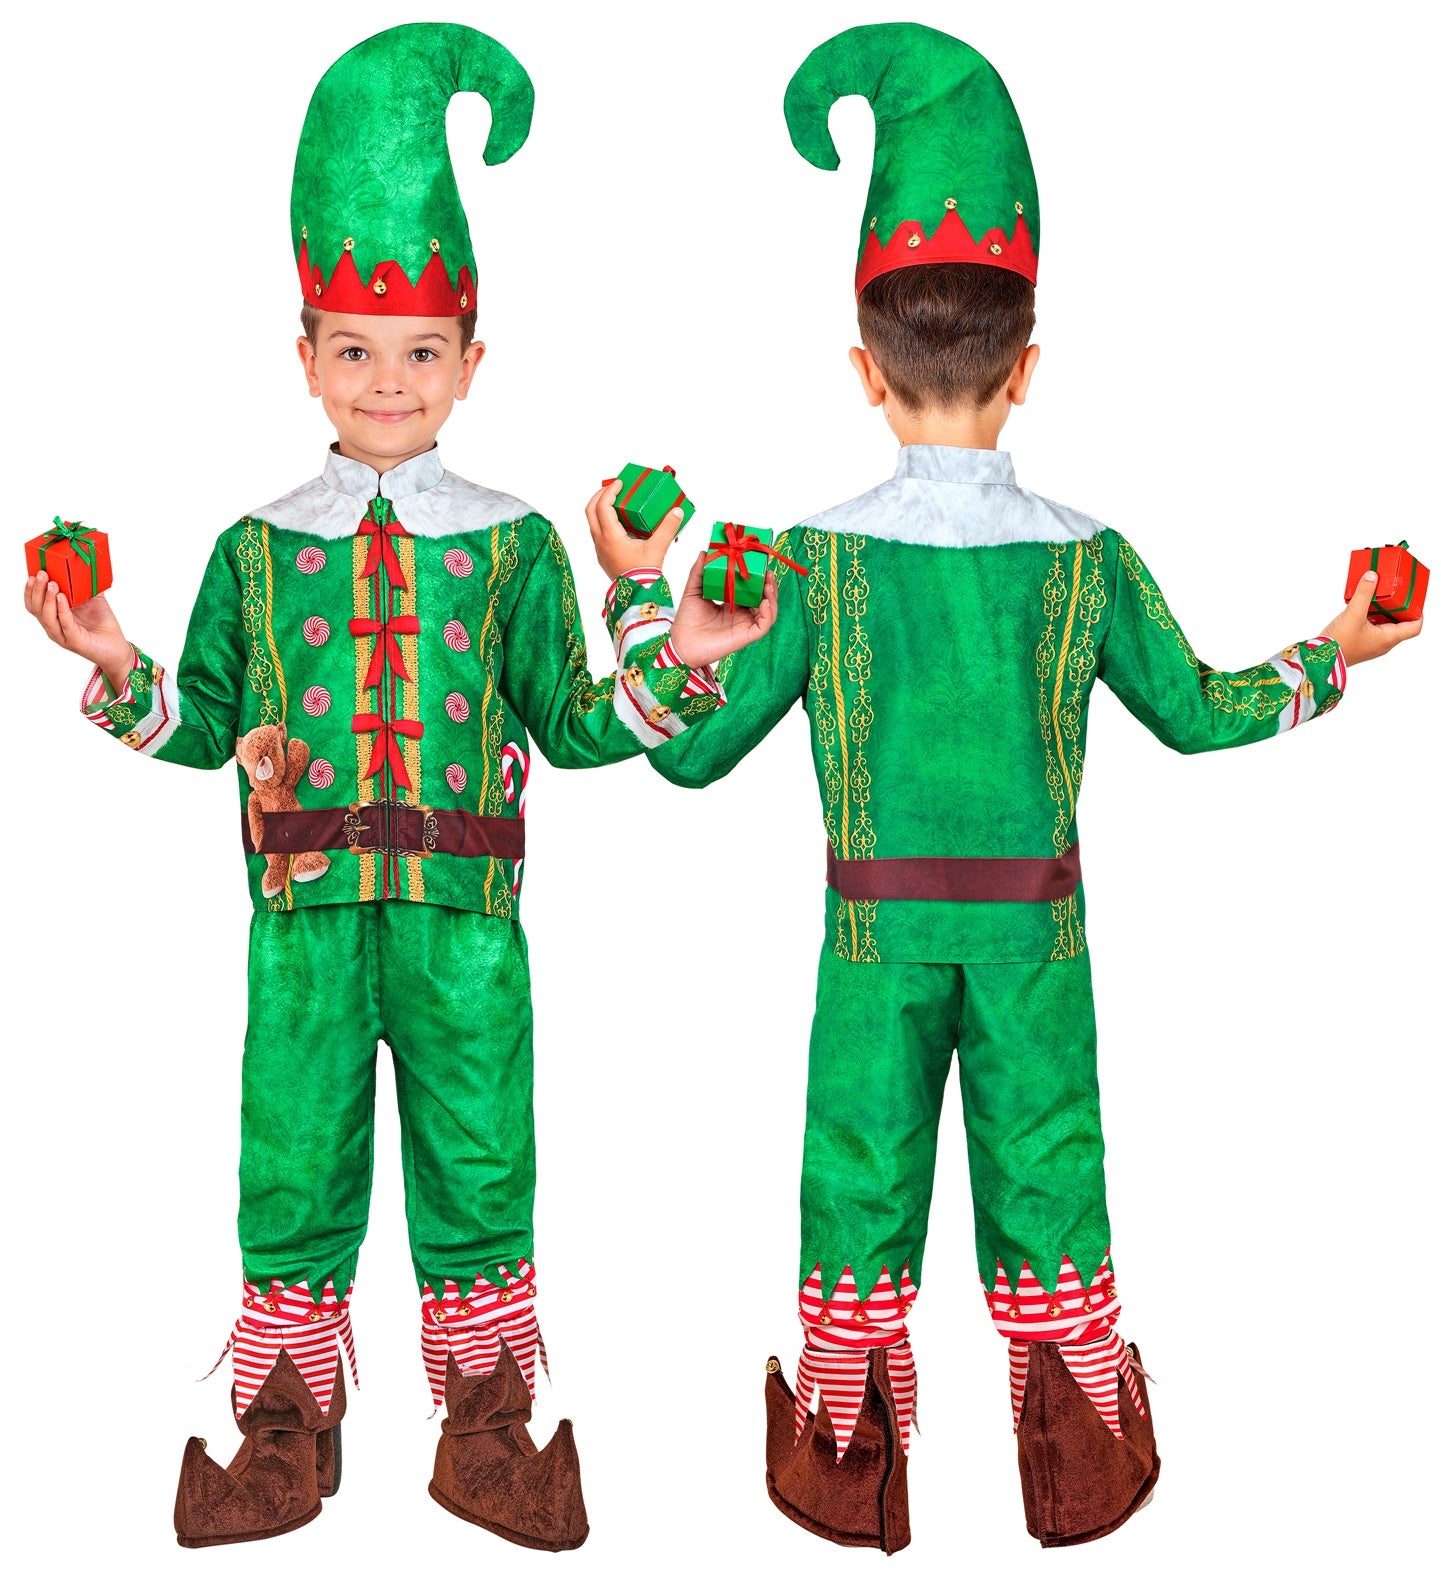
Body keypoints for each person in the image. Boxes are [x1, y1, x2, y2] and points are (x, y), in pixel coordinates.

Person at [643, 22, 1422, 1552]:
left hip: (871, 945)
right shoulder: (1084, 556)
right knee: (1049, 1176)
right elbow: (1201, 718)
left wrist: (638, 610)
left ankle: (843, 1471)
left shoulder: (800, 562)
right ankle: (1076, 1468)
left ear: (861, 371)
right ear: (1029, 367)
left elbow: (684, 752)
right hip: (1039, 940)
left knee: (856, 1181)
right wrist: (1336, 650)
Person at [22, 23, 773, 1553]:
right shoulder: (252, 546)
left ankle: (486, 1435)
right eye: (353, 351)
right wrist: (109, 651)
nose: (386, 382)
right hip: (299, 928)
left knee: (482, 1158)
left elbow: (571, 724)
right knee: (288, 1156)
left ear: (472, 362)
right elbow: (198, 725)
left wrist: (682, 645)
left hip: (466, 926)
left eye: (420, 352)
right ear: (303, 356)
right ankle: (285, 1430)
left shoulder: (509, 544)